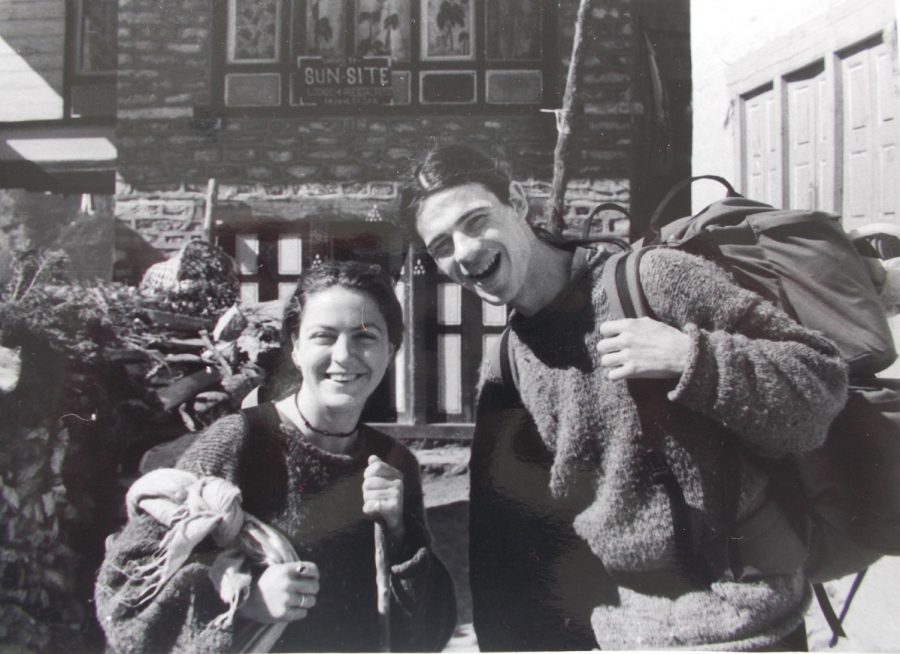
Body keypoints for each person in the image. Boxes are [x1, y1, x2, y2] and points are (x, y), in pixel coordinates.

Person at [401, 144, 849, 651]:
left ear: (519, 203)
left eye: (475, 220)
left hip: (753, 626)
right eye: (440, 246)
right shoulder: (506, 367)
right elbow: (506, 547)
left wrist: (692, 360)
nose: (463, 251)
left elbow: (821, 385)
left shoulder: (654, 281)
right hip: (627, 636)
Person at [95, 261, 457, 653]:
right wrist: (243, 599)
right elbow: (123, 593)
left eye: (365, 337)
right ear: (296, 348)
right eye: (323, 336)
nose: (344, 355)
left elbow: (426, 637)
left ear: (392, 349)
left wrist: (401, 536)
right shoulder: (240, 441)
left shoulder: (393, 463)